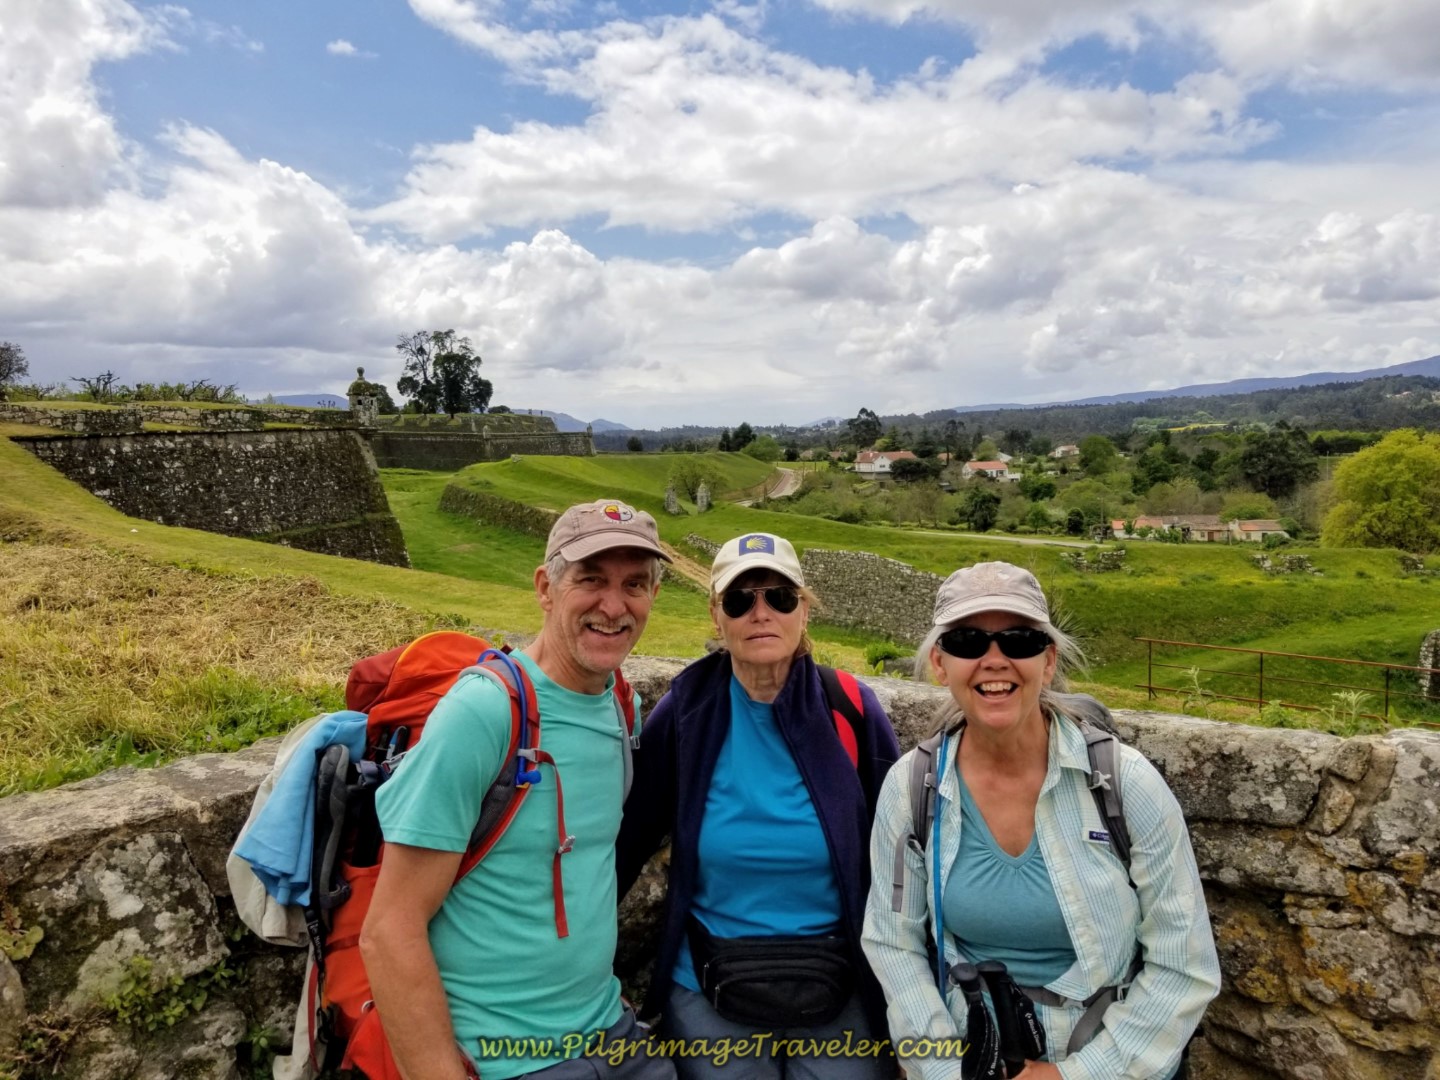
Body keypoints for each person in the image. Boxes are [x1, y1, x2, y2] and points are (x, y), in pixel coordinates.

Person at [862, 561, 1220, 1080]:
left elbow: (1183, 964)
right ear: (940, 664)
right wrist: (945, 1070)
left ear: (1048, 661)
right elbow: (893, 943)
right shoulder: (912, 788)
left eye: (1018, 641)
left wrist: (1075, 1075)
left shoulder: (1125, 783)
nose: (994, 660)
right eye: (967, 641)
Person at [361, 499, 679, 1080]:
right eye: (591, 579)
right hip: (506, 1060)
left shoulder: (620, 705)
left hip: (612, 1034)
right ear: (545, 587)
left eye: (635, 584)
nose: (614, 605)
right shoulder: (485, 713)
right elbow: (389, 930)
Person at [617, 532, 901, 1080]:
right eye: (740, 600)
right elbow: (626, 844)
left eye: (780, 597)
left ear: (804, 610)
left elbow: (902, 849)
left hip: (839, 978)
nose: (761, 613)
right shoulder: (685, 711)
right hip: (710, 978)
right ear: (716, 617)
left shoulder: (851, 708)